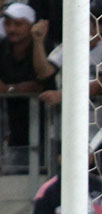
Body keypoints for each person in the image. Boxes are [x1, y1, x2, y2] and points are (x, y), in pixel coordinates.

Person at [0, 3, 52, 170]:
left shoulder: (44, 46)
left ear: (30, 25)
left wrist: (9, 89)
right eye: (7, 24)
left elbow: (38, 83)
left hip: (44, 121)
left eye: (18, 24)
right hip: (13, 124)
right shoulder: (2, 46)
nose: (11, 29)